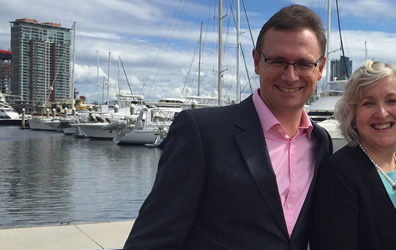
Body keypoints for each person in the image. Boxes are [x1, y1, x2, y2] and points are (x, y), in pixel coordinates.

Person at [124, 5, 332, 249]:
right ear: (257, 61)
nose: (290, 75)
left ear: (320, 68)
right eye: (277, 61)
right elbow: (153, 238)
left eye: (304, 64)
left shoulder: (320, 142)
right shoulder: (201, 132)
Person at [309, 60, 396, 249]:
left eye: (391, 100)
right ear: (353, 113)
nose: (381, 113)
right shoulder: (338, 174)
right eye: (368, 103)